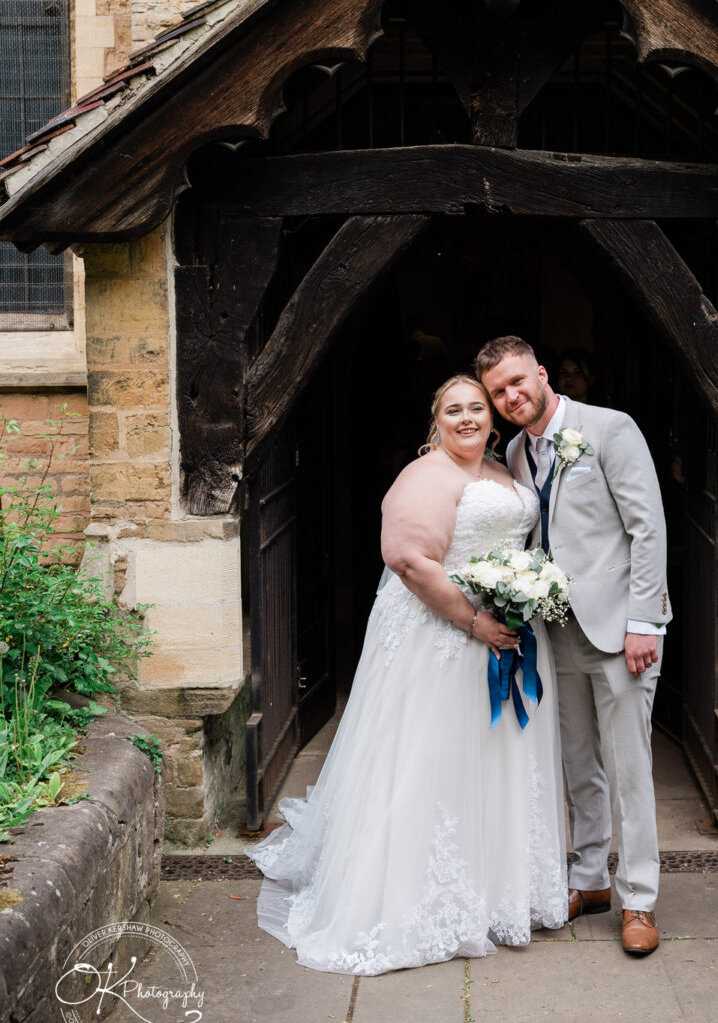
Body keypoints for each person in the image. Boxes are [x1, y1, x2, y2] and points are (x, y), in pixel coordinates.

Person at [244, 374, 568, 975]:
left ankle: (499, 890)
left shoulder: (504, 471)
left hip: (504, 633)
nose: (468, 418)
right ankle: (417, 898)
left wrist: (523, 596)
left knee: (494, 759)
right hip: (441, 635)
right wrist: (475, 622)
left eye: (478, 408)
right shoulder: (424, 475)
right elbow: (408, 561)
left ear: (493, 419)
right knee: (431, 759)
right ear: (436, 420)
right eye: (454, 410)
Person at [477, 335, 671, 957]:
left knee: (629, 765)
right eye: (498, 393)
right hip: (553, 630)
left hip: (619, 629)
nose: (510, 398)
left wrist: (645, 620)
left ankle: (638, 897)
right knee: (576, 758)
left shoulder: (610, 430)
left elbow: (648, 528)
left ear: (540, 374)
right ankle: (589, 879)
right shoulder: (513, 450)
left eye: (516, 383)